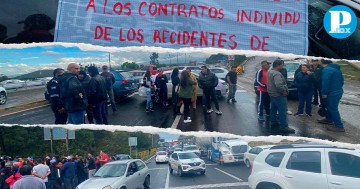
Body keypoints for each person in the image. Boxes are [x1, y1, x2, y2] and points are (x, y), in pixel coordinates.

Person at [267, 59, 295, 133]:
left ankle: (273, 122)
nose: (283, 66)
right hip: (278, 95)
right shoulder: (277, 74)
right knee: (282, 111)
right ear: (278, 65)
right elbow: (279, 85)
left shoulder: (270, 71)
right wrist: (283, 91)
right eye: (282, 65)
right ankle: (284, 126)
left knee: (273, 109)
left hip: (272, 94)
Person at [318, 60, 345, 132]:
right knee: (330, 107)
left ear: (322, 63)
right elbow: (342, 81)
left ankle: (339, 126)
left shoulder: (327, 69)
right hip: (338, 91)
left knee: (333, 108)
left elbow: (325, 82)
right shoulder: (337, 69)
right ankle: (329, 119)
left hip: (331, 93)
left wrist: (324, 93)